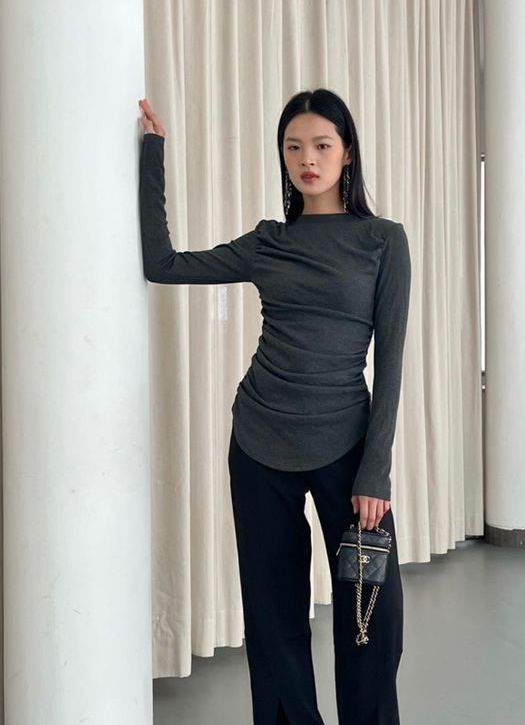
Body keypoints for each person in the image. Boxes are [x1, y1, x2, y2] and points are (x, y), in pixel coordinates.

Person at [138, 87, 411, 725]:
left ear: (347, 153)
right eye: (293, 147)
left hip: (346, 449)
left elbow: (392, 360)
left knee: (371, 619)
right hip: (259, 444)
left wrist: (376, 471)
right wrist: (153, 154)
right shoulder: (269, 242)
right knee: (272, 614)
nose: (307, 159)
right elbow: (163, 264)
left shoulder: (381, 240)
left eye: (321, 145)